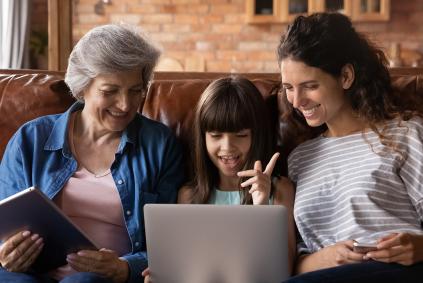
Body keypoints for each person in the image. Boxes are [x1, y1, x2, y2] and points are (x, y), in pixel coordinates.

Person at [0, 24, 184, 283]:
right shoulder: (30, 140)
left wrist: (124, 269)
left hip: (103, 279)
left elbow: (171, 243)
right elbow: (4, 225)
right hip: (32, 273)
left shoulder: (160, 146)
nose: (125, 105)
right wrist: (5, 254)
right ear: (82, 86)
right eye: (110, 91)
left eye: (135, 90)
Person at [277, 12, 423, 282]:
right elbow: (290, 266)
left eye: (309, 86)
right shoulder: (299, 159)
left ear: (345, 76)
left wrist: (418, 247)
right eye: (288, 87)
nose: (297, 101)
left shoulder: (405, 134)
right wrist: (322, 259)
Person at [142, 76, 296, 282]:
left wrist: (261, 207)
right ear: (203, 137)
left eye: (240, 135)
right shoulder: (189, 196)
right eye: (215, 135)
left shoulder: (280, 190)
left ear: (256, 135)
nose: (227, 147)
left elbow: (283, 271)